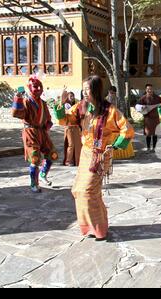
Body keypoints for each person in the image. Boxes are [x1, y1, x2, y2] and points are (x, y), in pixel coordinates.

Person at [54, 75, 135, 241]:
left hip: (99, 155)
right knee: (78, 190)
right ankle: (90, 226)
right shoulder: (81, 107)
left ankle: (99, 228)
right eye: (83, 89)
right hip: (85, 153)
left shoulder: (110, 111)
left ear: (96, 90)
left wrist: (115, 145)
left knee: (88, 190)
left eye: (87, 89)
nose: (84, 92)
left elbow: (127, 130)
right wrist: (61, 104)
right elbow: (65, 120)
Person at [11, 76, 58, 193]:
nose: (38, 89)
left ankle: (42, 174)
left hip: (42, 132)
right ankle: (34, 183)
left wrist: (47, 125)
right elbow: (17, 114)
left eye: (39, 86)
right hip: (30, 132)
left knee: (52, 155)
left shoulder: (43, 103)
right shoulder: (26, 101)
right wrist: (18, 98)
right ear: (29, 87)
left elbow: (47, 117)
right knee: (35, 158)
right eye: (35, 86)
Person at [137, 84, 161, 153]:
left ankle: (154, 148)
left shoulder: (158, 98)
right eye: (148, 89)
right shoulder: (143, 98)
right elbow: (138, 106)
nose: (149, 90)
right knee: (148, 134)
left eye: (151, 89)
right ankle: (148, 148)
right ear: (146, 90)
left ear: (152, 89)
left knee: (155, 133)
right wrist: (142, 108)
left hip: (155, 117)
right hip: (147, 118)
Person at [62, 90, 82, 166]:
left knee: (78, 144)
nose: (72, 98)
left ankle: (77, 160)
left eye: (73, 96)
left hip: (76, 127)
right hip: (69, 127)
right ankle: (68, 161)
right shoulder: (66, 105)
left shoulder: (76, 104)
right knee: (71, 144)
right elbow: (70, 112)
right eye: (70, 96)